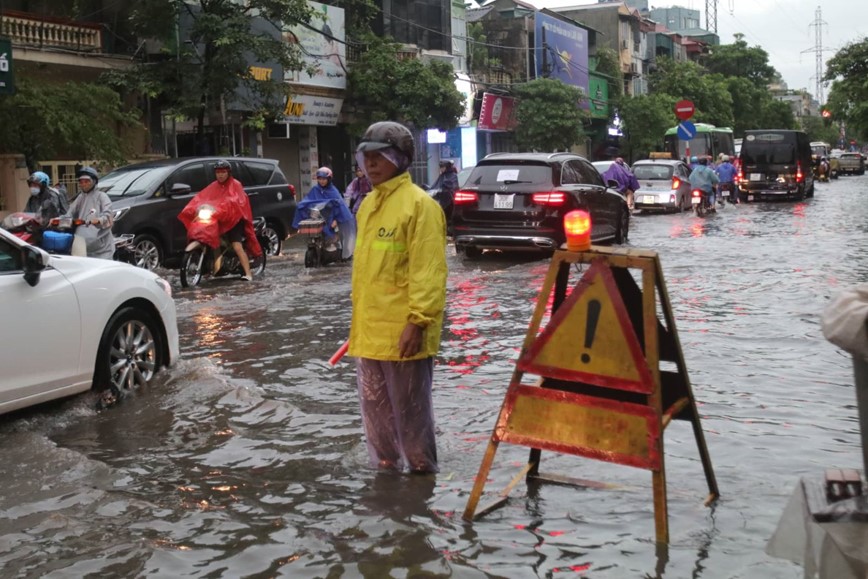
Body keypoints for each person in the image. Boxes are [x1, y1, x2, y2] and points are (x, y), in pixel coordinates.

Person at [349, 121, 448, 474]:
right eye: (367, 157)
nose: (371, 164)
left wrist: (418, 322)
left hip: (405, 335)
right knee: (379, 430)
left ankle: (421, 490)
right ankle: (388, 488)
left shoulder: (421, 206)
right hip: (369, 335)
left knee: (413, 424)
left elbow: (429, 270)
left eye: (380, 156)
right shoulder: (367, 205)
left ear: (400, 159)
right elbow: (367, 275)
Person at [178, 160, 262, 280]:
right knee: (209, 239)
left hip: (234, 219)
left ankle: (248, 273)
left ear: (228, 172)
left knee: (236, 245)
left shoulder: (236, 184)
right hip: (218, 219)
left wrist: (221, 208)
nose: (220, 175)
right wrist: (194, 208)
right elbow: (201, 198)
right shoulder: (213, 186)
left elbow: (235, 201)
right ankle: (213, 268)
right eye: (218, 172)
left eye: (223, 172)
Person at [293, 167, 356, 256]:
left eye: (324, 179)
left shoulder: (333, 191)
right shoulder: (315, 189)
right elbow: (307, 201)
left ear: (329, 179)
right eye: (319, 179)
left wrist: (336, 220)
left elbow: (341, 208)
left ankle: (338, 249)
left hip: (331, 220)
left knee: (335, 238)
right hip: (318, 218)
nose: (321, 181)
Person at [62, 167, 115, 259]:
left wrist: (99, 220)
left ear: (94, 181)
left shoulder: (102, 196)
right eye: (81, 182)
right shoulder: (80, 198)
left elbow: (108, 214)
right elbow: (70, 212)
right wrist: (60, 220)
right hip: (81, 242)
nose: (83, 184)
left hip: (100, 247)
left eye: (86, 181)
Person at [430, 159, 459, 224]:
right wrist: (429, 189)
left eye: (442, 167)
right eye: (440, 167)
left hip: (449, 203)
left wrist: (445, 188)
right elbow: (435, 186)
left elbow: (453, 187)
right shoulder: (442, 176)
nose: (441, 169)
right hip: (441, 201)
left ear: (447, 167)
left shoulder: (453, 176)